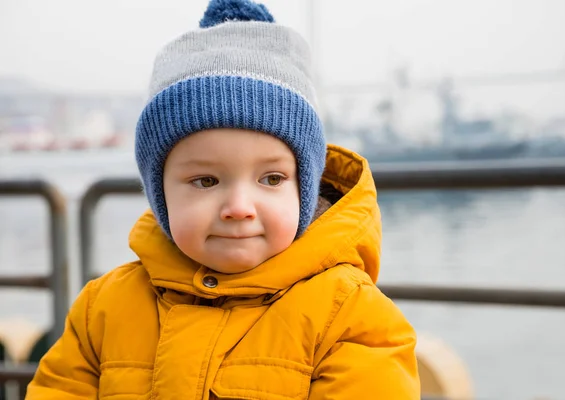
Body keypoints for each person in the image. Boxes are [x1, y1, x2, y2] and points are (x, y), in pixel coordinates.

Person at [26, 0, 420, 398]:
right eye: (206, 180)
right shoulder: (103, 310)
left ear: (304, 187)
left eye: (271, 178)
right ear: (160, 193)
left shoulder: (350, 316)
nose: (239, 207)